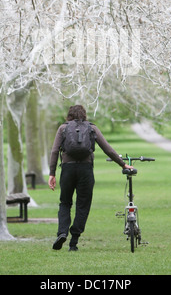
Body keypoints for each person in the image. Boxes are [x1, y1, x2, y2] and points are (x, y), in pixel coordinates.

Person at [48, 105, 134, 251]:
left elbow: (55, 151)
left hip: (67, 169)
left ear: (69, 115)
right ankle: (73, 242)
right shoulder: (91, 128)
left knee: (65, 202)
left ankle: (62, 232)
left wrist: (52, 173)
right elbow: (107, 149)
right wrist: (123, 165)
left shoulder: (63, 128)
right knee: (83, 205)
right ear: (84, 115)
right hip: (85, 170)